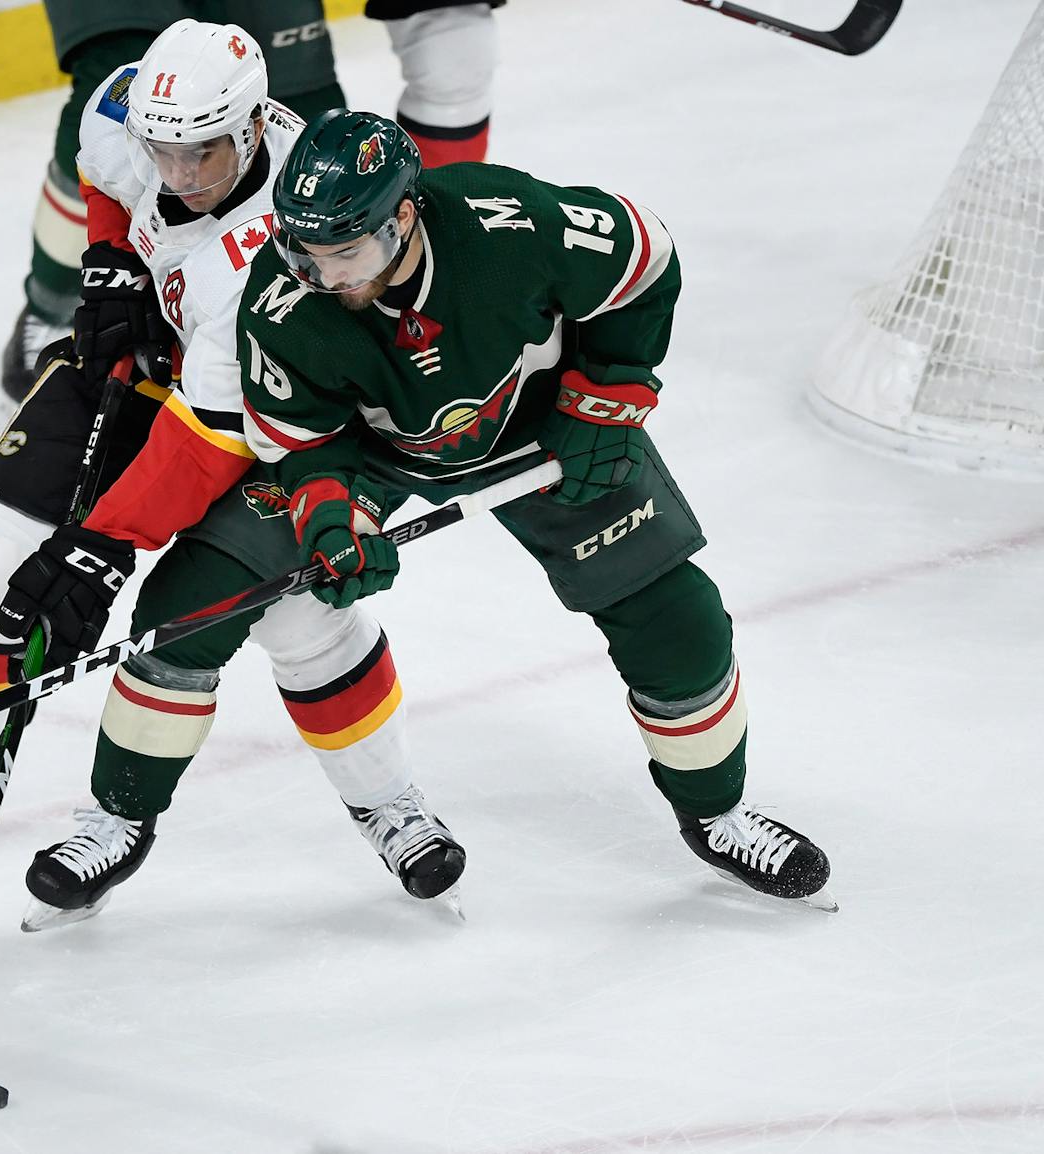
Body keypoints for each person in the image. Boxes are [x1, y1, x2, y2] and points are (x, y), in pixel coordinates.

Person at [0, 22, 465, 931]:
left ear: (254, 127)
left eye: (201, 155)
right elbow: (107, 169)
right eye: (161, 151)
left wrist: (100, 550)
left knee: (300, 614)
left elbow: (206, 440)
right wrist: (112, 264)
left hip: (265, 409)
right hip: (156, 362)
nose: (176, 175)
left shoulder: (262, 257)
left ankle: (389, 802)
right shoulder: (136, 115)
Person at [235, 108, 835, 909]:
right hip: (377, 455)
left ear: (404, 214)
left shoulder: (505, 223)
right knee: (280, 589)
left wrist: (605, 402)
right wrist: (333, 519)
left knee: (677, 620)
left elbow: (644, 259)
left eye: (348, 252)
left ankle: (715, 813)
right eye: (307, 255)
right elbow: (303, 441)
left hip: (537, 428)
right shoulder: (282, 304)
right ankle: (386, 807)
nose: (328, 276)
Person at [0, 0, 507, 404]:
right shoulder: (115, 128)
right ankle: (51, 301)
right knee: (134, 93)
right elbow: (104, 146)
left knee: (323, 149)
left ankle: (410, 272)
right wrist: (114, 259)